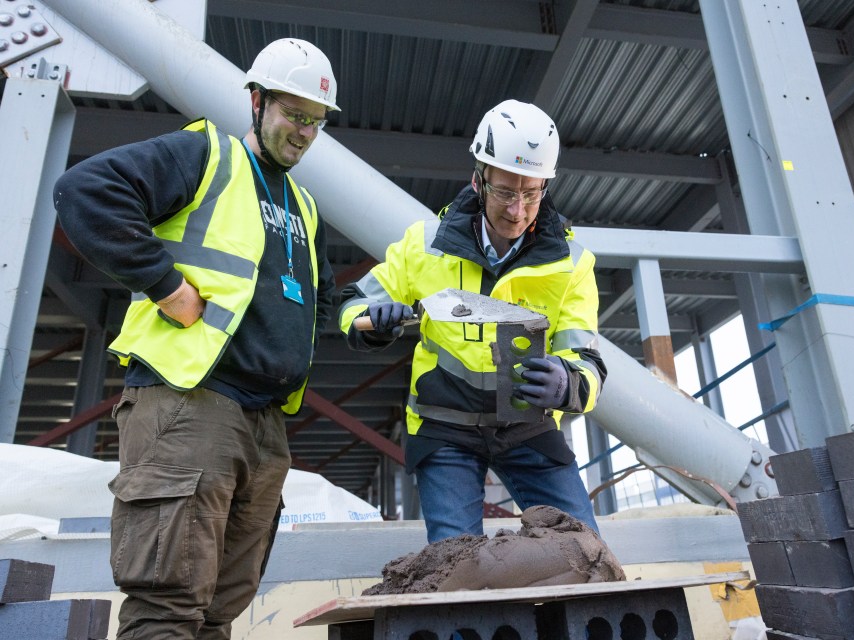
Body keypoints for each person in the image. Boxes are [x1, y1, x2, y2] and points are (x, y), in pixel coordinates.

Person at [53, 38, 339, 639]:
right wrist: (165, 285)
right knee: (168, 606)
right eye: (294, 113)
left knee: (215, 613)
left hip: (263, 425)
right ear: (257, 102)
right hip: (190, 404)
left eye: (315, 121)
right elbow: (86, 191)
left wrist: (372, 320)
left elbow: (326, 305)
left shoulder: (304, 208)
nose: (305, 132)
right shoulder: (210, 155)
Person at [338, 99, 606, 543]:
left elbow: (587, 361)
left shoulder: (572, 265)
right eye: (505, 191)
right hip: (444, 428)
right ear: (478, 181)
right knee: (454, 562)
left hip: (527, 426)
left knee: (584, 549)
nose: (517, 210)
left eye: (531, 193)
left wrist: (568, 382)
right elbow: (350, 306)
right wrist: (370, 321)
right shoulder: (424, 245)